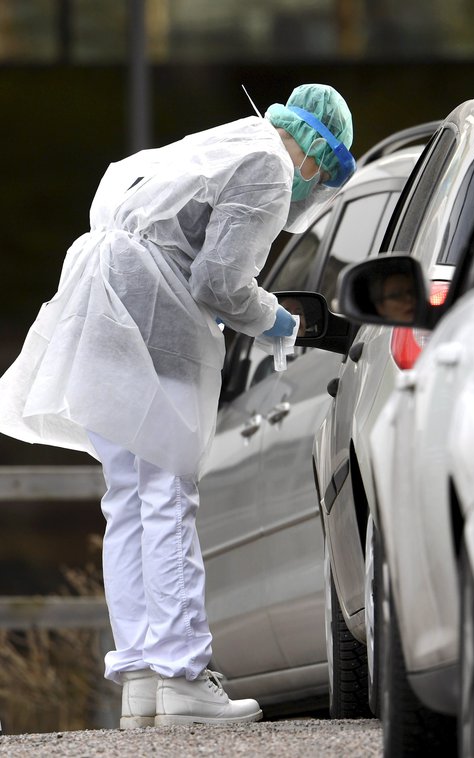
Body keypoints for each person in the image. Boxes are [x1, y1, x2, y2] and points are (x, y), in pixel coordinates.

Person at [0, 83, 355, 728]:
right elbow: (219, 282)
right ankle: (184, 677)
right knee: (166, 495)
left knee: (128, 500)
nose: (314, 187)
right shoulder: (271, 168)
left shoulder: (223, 144)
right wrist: (277, 323)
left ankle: (141, 675)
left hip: (102, 313)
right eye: (325, 172)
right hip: (154, 320)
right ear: (314, 151)